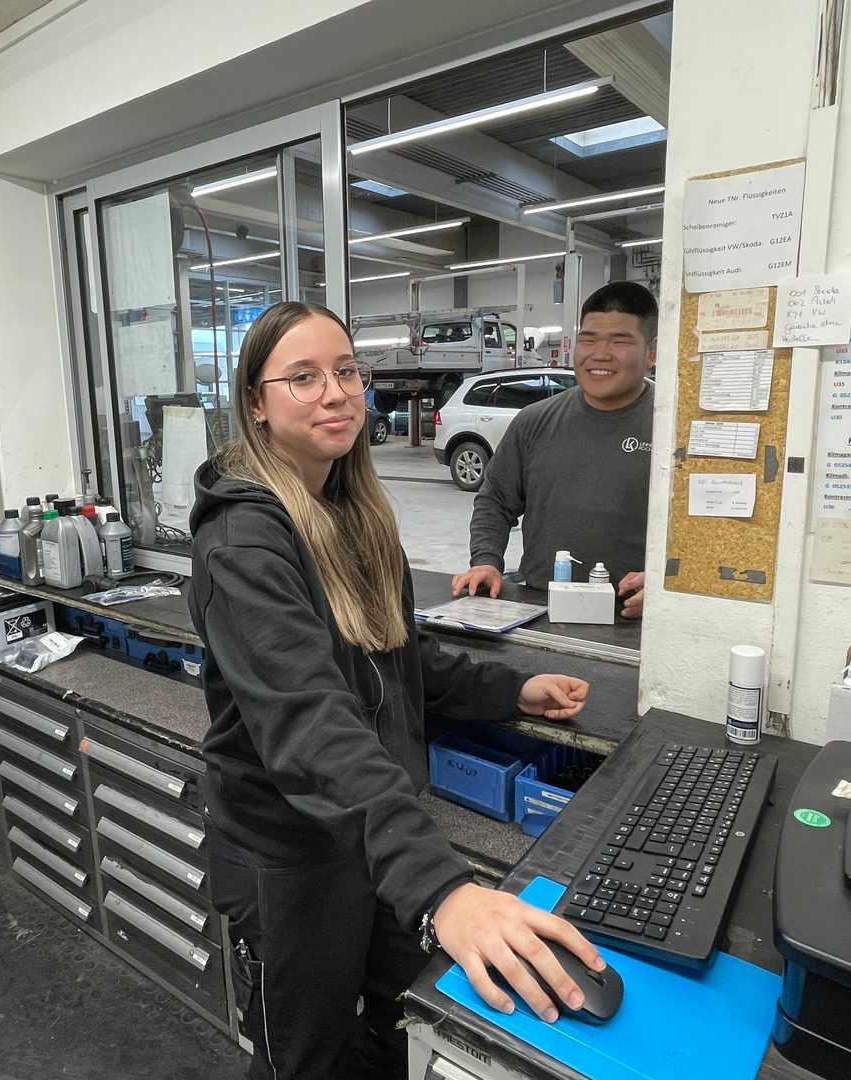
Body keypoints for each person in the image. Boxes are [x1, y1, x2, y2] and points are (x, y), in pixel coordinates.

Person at [188, 301, 604, 1080]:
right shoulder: (241, 542)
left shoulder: (351, 510)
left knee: (394, 1030)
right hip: (290, 856)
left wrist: (513, 691)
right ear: (256, 403)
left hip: (370, 837)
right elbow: (311, 723)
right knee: (302, 1061)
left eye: (345, 371)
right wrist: (444, 889)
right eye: (303, 377)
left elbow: (399, 658)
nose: (335, 392)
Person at [451, 281, 657, 617]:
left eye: (620, 341)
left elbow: (706, 531)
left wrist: (668, 586)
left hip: (631, 615)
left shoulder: (673, 428)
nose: (599, 354)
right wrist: (486, 561)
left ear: (652, 352)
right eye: (588, 339)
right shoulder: (534, 421)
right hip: (541, 606)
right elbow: (495, 501)